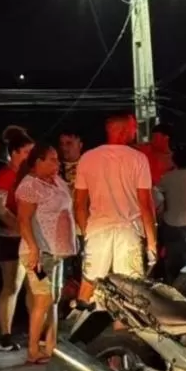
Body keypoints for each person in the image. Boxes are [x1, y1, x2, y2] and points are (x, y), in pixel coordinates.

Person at [74, 113, 158, 305]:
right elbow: (145, 203)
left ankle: (77, 324)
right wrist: (151, 242)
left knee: (89, 281)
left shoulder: (88, 158)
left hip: (97, 230)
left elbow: (79, 203)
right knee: (130, 287)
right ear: (123, 131)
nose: (135, 131)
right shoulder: (138, 159)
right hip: (129, 231)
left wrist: (86, 232)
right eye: (133, 127)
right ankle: (124, 328)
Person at [15, 143, 77, 365]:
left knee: (54, 299)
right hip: (39, 254)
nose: (56, 163)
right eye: (51, 159)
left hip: (57, 252)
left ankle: (51, 346)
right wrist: (33, 249)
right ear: (37, 161)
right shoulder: (30, 186)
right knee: (43, 298)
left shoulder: (57, 181)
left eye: (57, 159)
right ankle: (33, 349)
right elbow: (23, 221)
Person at [0, 127, 35, 351]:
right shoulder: (3, 176)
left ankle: (37, 332)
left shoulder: (32, 176)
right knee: (11, 286)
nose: (31, 156)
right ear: (15, 152)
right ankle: (5, 337)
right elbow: (2, 211)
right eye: (28, 151)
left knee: (34, 287)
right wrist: (23, 228)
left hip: (31, 238)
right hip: (10, 238)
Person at [156, 146, 186, 282]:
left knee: (171, 256)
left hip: (169, 223)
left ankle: (171, 284)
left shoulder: (166, 178)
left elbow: (158, 197)